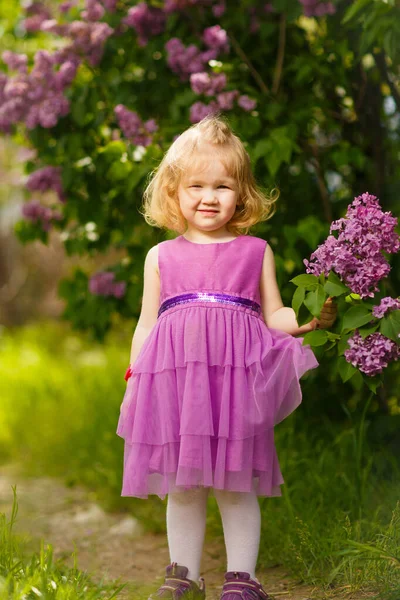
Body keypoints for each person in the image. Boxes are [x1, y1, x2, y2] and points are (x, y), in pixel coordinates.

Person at [116, 114, 337, 600]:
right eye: (196, 185)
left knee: (236, 483)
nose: (209, 197)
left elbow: (273, 313)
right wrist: (136, 376)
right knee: (184, 484)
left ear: (242, 194)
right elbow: (147, 325)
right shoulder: (161, 256)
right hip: (177, 385)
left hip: (234, 384)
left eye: (222, 185)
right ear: (174, 191)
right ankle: (183, 573)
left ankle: (243, 578)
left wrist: (308, 321)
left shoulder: (255, 250)